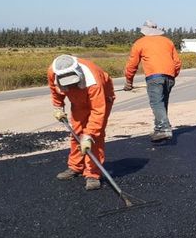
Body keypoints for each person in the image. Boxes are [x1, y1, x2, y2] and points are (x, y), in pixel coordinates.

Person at [48, 54, 115, 191]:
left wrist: (89, 135)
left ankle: (93, 174)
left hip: (101, 98)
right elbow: (55, 91)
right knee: (77, 132)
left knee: (94, 137)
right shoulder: (52, 72)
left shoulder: (93, 79)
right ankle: (76, 167)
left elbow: (98, 111)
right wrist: (58, 107)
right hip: (78, 101)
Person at [123, 20, 182, 142]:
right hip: (170, 76)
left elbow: (132, 65)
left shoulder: (140, 43)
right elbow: (177, 62)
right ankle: (159, 129)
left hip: (154, 77)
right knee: (162, 102)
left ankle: (164, 128)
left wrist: (129, 81)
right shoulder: (167, 41)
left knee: (156, 103)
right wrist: (172, 75)